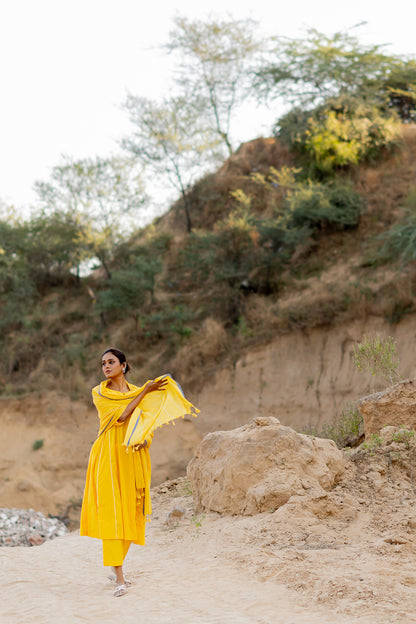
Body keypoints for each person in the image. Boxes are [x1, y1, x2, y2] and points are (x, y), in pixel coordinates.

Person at [80, 348, 168, 597]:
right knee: (113, 514)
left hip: (132, 455)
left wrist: (145, 439)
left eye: (111, 362)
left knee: (132, 509)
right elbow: (121, 417)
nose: (106, 367)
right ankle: (119, 576)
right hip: (107, 455)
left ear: (124, 365)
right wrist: (145, 392)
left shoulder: (138, 391)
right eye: (103, 363)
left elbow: (147, 421)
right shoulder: (100, 393)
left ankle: (115, 561)